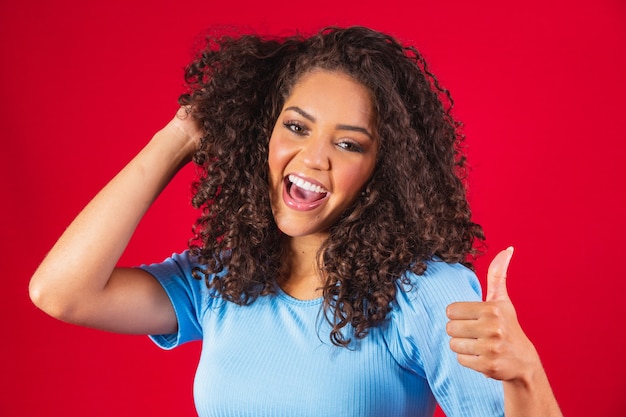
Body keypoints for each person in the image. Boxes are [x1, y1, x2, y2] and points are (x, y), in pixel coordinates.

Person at [29, 26, 561, 416]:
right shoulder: (223, 280)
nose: (313, 158)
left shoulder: (424, 293)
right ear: (263, 135)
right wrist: (179, 138)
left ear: (384, 170)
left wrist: (526, 372)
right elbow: (61, 292)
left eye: (348, 143)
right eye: (297, 127)